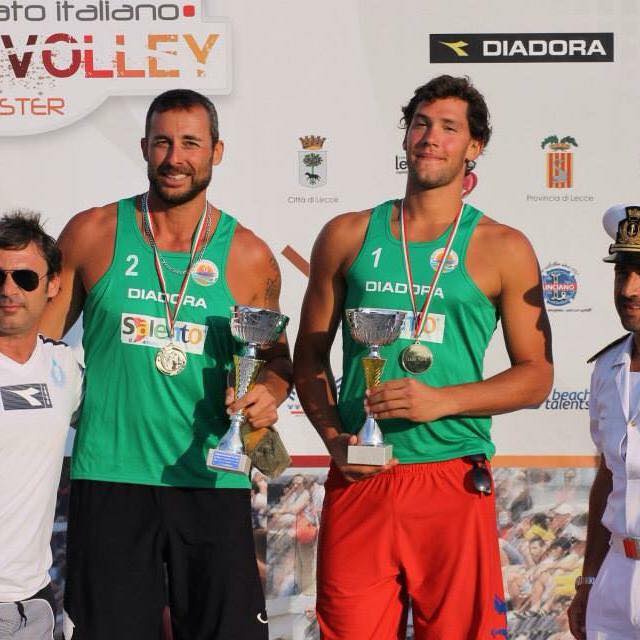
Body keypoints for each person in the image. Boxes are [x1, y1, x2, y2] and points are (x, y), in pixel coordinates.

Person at [294, 74, 553, 639]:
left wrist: (442, 401)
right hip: (362, 476)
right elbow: (308, 357)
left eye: (448, 128)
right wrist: (336, 441)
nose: (430, 138)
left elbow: (537, 377)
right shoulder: (348, 234)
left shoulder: (502, 247)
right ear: (406, 136)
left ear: (473, 147)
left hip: (450, 477)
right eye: (421, 124)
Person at [40, 89, 292, 640]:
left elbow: (276, 361)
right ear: (144, 148)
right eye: (162, 142)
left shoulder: (248, 254)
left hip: (211, 477)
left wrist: (267, 393)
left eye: (190, 143)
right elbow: (37, 345)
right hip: (109, 475)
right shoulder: (94, 232)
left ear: (216, 152)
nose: (174, 157)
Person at [0, 212, 83, 639]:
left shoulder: (65, 368)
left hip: (32, 604)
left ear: (52, 286)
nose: (8, 289)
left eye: (25, 278)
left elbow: (130, 419)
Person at [568, 203, 640, 639]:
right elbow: (607, 478)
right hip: (615, 576)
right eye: (622, 273)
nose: (629, 289)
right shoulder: (607, 367)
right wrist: (589, 579)